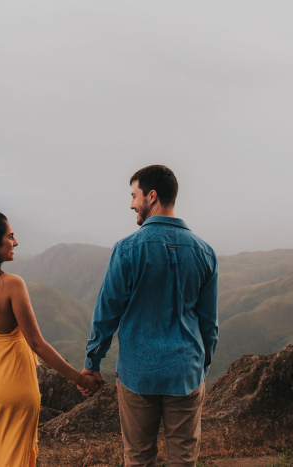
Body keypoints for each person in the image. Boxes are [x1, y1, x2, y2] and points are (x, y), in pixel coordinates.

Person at [0, 211, 103, 467]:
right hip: (15, 389)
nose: (16, 242)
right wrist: (81, 380)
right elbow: (37, 344)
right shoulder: (12, 285)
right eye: (10, 236)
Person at [79, 165, 219, 466]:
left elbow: (107, 313)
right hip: (185, 372)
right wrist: (201, 368)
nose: (132, 203)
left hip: (137, 372)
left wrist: (93, 363)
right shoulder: (205, 252)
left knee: (139, 458)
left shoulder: (127, 250)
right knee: (184, 459)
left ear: (151, 196)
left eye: (134, 195)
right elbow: (209, 323)